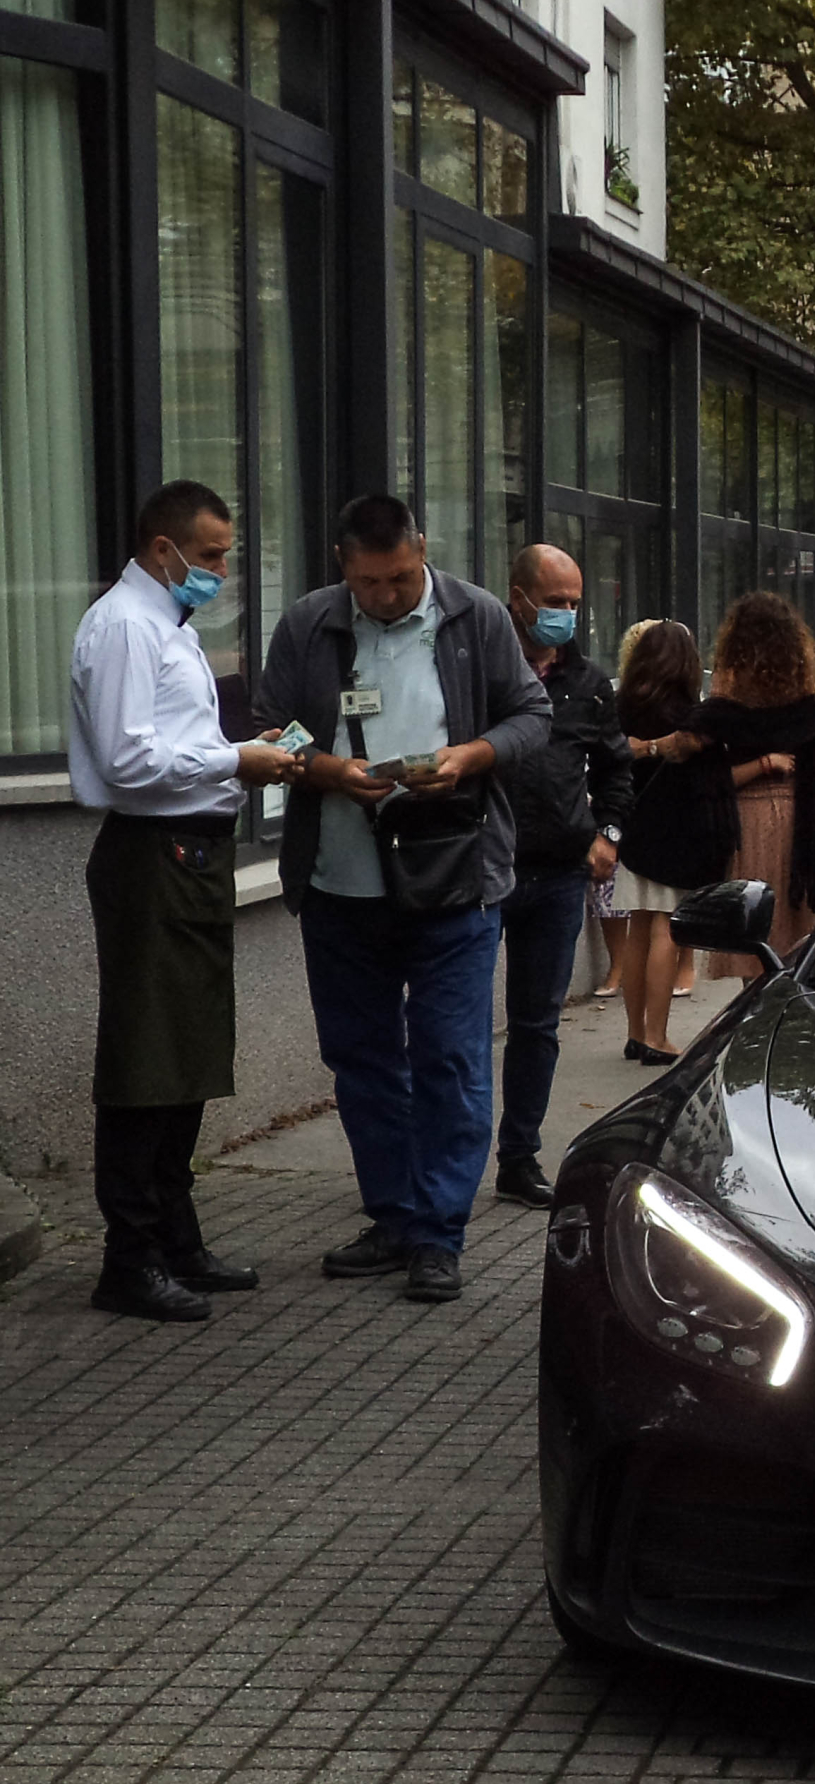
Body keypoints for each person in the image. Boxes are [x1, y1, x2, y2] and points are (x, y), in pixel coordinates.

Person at [255, 495, 551, 1303]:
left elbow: (534, 715)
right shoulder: (311, 624)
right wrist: (323, 771)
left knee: (451, 1055)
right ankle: (391, 1212)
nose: (387, 595)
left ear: (424, 547)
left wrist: (471, 756)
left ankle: (438, 1231)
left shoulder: (477, 616)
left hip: (455, 878)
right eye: (370, 582)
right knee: (363, 1056)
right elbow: (267, 726)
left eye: (401, 577)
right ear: (342, 565)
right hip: (340, 883)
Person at [67, 481, 304, 1321]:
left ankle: (173, 1235)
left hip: (188, 855)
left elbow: (171, 745)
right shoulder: (127, 625)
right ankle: (128, 1257)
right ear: (161, 547)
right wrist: (233, 762)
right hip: (152, 857)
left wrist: (235, 750)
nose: (220, 570)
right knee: (146, 1058)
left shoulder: (166, 625)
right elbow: (129, 763)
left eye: (225, 555)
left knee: (187, 1057)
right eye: (208, 556)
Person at [491, 544, 632, 1208]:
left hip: (555, 879)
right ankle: (442, 1158)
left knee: (536, 1025)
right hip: (483, 872)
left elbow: (616, 769)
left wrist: (608, 835)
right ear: (517, 597)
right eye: (554, 602)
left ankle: (519, 1155)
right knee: (458, 1026)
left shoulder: (590, 684)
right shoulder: (485, 671)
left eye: (574, 603)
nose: (565, 615)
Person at [690, 593, 815, 980]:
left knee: (753, 928)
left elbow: (709, 775)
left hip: (747, 821)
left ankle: (753, 1011)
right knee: (798, 931)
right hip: (802, 822)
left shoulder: (723, 712)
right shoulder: (812, 706)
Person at [612, 620, 717, 1063]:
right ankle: (658, 1035)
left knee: (638, 925)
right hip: (677, 828)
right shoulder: (688, 716)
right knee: (666, 927)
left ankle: (636, 1032)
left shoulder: (621, 708)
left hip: (634, 826)